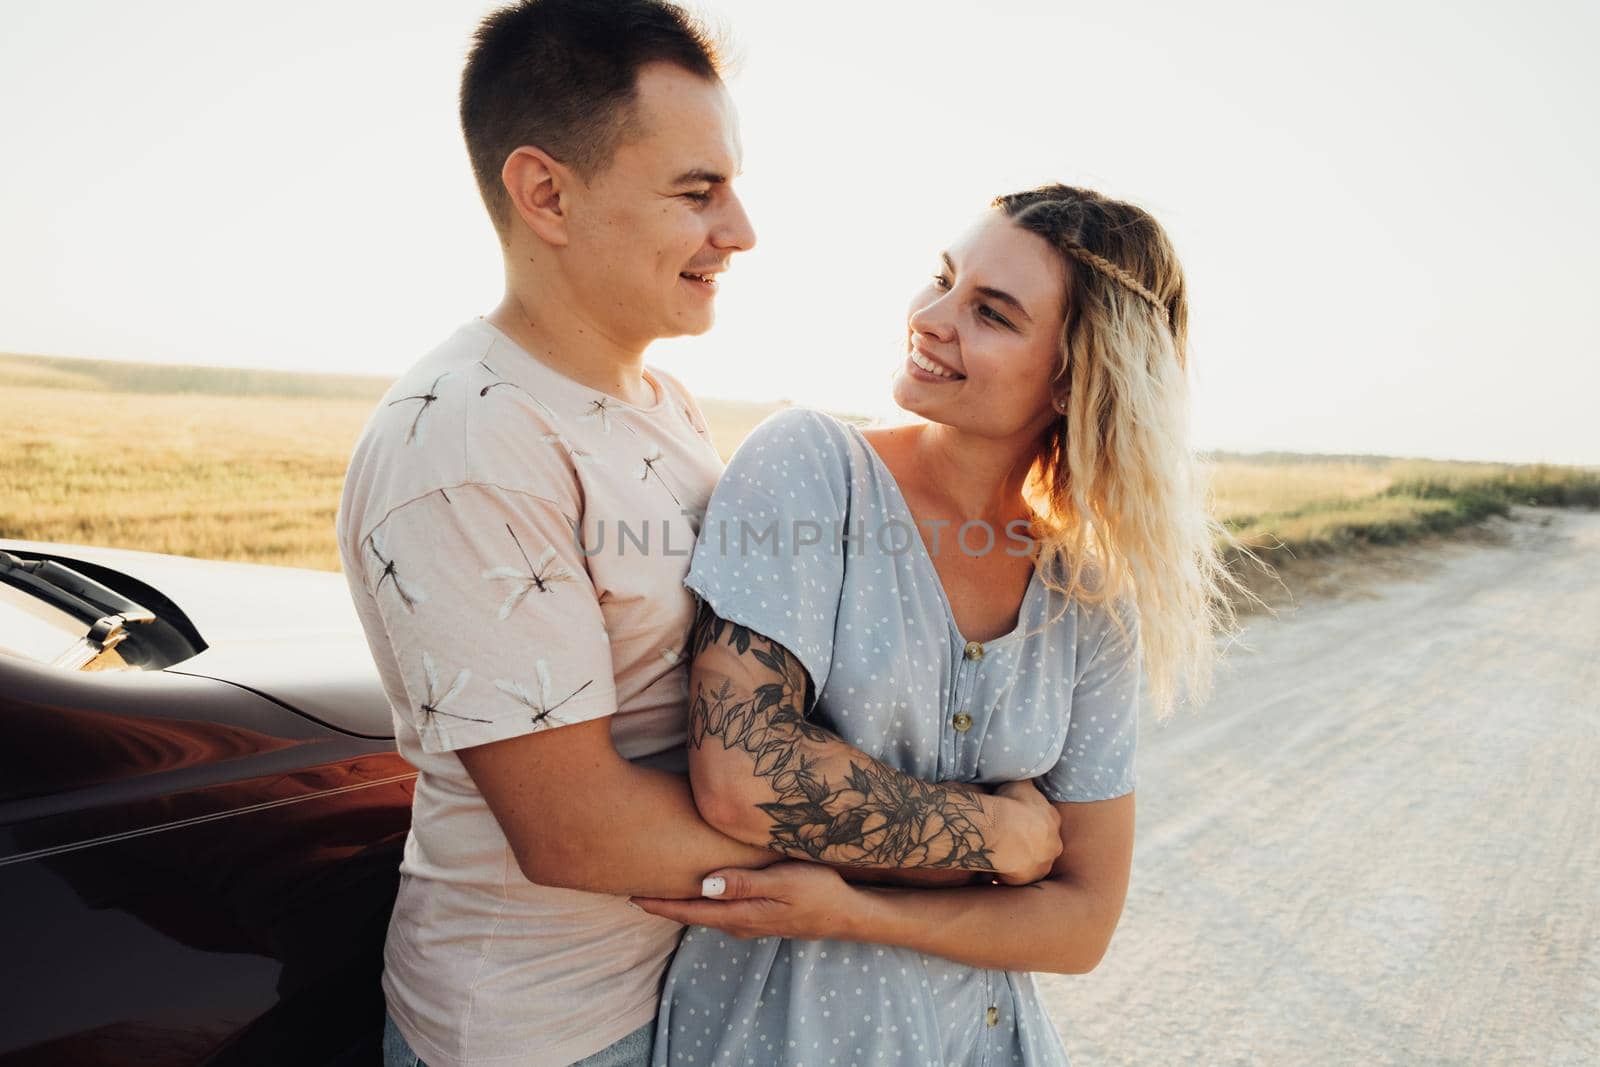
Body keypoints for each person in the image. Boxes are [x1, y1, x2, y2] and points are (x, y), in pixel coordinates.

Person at [336, 4, 1064, 1065]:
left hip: (688, 997)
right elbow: (576, 828)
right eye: (696, 191)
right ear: (546, 192)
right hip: (542, 1031)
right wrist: (970, 839)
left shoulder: (662, 401)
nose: (740, 229)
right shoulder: (465, 440)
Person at [633, 184, 1245, 1064]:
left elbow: (1079, 924)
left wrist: (854, 908)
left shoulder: (1089, 597)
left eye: (990, 313)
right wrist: (1000, 836)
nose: (931, 317)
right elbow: (745, 775)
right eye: (944, 279)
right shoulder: (811, 469)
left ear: (1074, 376)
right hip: (782, 1036)